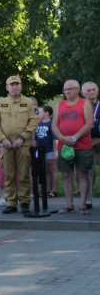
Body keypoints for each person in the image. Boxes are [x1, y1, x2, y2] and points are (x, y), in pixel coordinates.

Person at [0, 75, 39, 214]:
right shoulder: (1, 103)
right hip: (6, 144)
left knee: (24, 174)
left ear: (21, 86)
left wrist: (22, 138)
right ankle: (11, 202)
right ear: (7, 87)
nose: (15, 87)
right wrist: (2, 139)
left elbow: (33, 122)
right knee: (9, 174)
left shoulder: (29, 103)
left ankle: (24, 201)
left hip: (23, 144)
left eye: (17, 84)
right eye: (12, 85)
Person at [54, 79, 95, 214]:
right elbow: (54, 125)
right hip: (64, 146)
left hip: (82, 145)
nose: (67, 92)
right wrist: (62, 138)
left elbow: (89, 124)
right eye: (65, 89)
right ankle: (69, 205)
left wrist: (75, 137)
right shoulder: (59, 105)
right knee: (66, 174)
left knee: (82, 174)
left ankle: (83, 204)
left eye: (70, 89)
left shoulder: (85, 103)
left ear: (78, 90)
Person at [34, 105, 58, 197]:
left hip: (50, 150)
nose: (38, 114)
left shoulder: (51, 124)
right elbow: (36, 138)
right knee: (46, 171)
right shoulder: (39, 124)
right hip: (41, 151)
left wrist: (55, 151)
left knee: (53, 169)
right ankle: (47, 190)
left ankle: (54, 190)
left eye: (40, 112)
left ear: (47, 113)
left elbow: (54, 139)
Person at [83, 81, 99, 208]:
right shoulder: (80, 107)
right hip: (88, 142)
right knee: (88, 171)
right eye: (88, 90)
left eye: (93, 89)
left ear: (98, 91)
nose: (91, 92)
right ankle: (88, 200)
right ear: (83, 93)